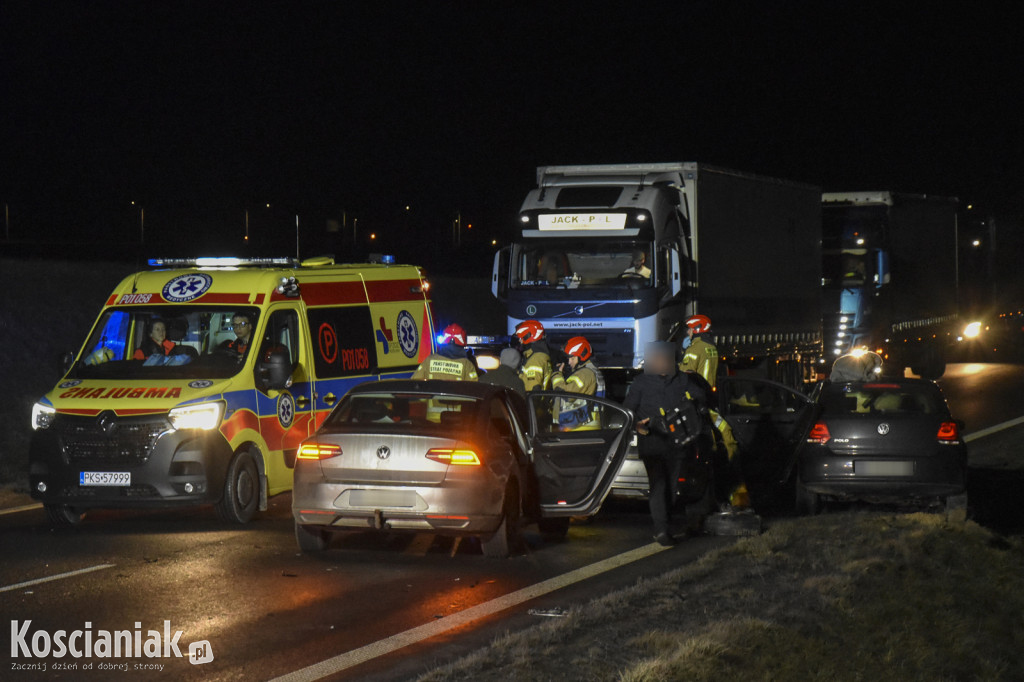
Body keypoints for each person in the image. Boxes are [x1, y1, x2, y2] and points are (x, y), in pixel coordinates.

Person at [623, 341, 708, 546]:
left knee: (671, 486)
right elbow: (628, 410)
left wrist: (689, 409)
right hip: (651, 443)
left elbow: (701, 398)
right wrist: (638, 426)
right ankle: (661, 529)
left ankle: (666, 523)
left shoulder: (682, 381)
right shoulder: (641, 383)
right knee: (658, 485)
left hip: (676, 443)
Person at [411, 323, 478, 381]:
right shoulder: (467, 364)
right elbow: (473, 389)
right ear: (463, 341)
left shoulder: (429, 360)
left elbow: (415, 382)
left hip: (434, 396)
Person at [679, 314, 719, 387]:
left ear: (696, 329)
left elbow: (683, 372)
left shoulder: (694, 348)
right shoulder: (711, 346)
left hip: (696, 392)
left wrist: (683, 352)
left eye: (689, 329)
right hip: (709, 389)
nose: (687, 332)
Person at [514, 319, 553, 391]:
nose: (520, 341)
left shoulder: (536, 359)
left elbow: (532, 389)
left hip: (527, 401)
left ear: (528, 336)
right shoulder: (536, 356)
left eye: (521, 338)